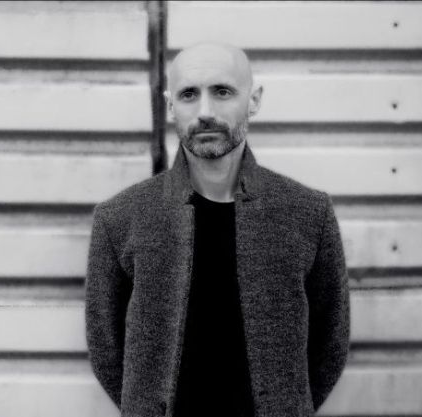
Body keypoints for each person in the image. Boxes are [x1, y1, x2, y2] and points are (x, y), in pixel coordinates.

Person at [85, 42, 349, 417]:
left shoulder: (308, 213)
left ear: (254, 100)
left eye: (222, 92)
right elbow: (106, 350)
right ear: (171, 105)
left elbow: (330, 344)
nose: (205, 112)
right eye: (189, 94)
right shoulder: (119, 218)